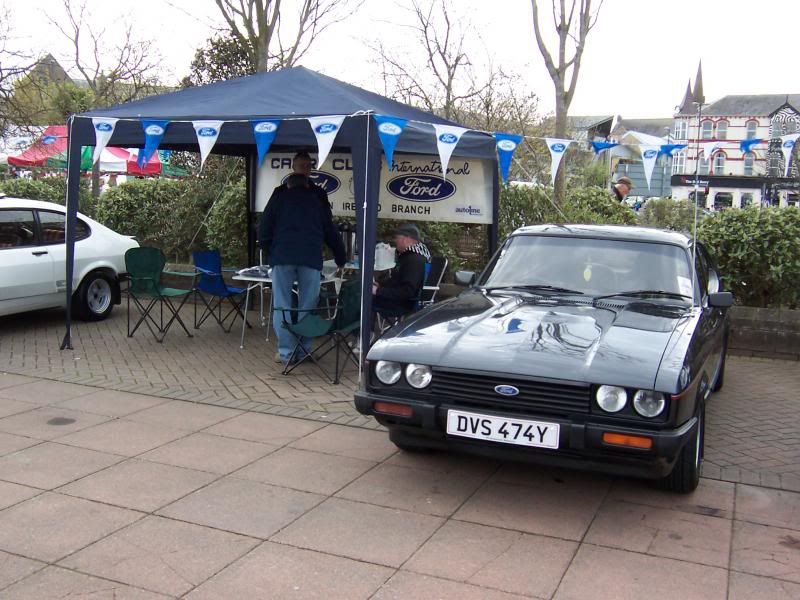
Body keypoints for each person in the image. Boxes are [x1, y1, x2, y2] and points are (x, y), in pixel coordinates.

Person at [258, 172, 346, 364]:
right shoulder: (317, 201)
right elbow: (331, 232)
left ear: (288, 185)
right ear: (307, 186)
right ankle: (304, 350)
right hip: (310, 257)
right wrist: (341, 258)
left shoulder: (278, 199)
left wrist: (271, 251)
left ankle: (286, 353)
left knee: (282, 305)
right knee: (308, 305)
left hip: (282, 257)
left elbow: (263, 230)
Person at [372, 223, 431, 318]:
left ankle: (362, 331)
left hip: (402, 304)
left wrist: (379, 291)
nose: (395, 241)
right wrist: (381, 285)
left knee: (362, 299)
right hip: (403, 301)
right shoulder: (415, 256)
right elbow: (398, 280)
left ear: (406, 239)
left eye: (397, 237)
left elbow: (407, 291)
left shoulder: (413, 260)